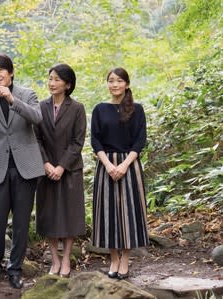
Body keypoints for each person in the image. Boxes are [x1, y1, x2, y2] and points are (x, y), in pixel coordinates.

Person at [0, 54, 45, 289]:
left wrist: (12, 99)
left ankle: (15, 269)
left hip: (25, 169)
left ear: (11, 72)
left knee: (20, 223)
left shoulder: (27, 94)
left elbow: (37, 118)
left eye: (0, 71)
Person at [91, 67, 149, 280]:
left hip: (129, 165)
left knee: (129, 214)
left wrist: (124, 165)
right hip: (105, 165)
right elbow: (95, 140)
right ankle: (113, 258)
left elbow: (140, 139)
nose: (114, 84)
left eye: (119, 81)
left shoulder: (137, 109)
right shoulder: (99, 109)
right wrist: (108, 165)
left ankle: (125, 259)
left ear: (126, 84)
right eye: (111, 81)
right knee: (107, 214)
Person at [34, 63, 86, 278]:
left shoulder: (77, 108)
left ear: (68, 84)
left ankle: (66, 260)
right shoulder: (40, 107)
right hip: (46, 171)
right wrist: (46, 163)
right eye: (50, 78)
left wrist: (61, 166)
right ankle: (54, 259)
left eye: (56, 79)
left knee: (69, 215)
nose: (51, 83)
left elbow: (77, 141)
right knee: (49, 216)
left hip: (70, 170)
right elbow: (35, 138)